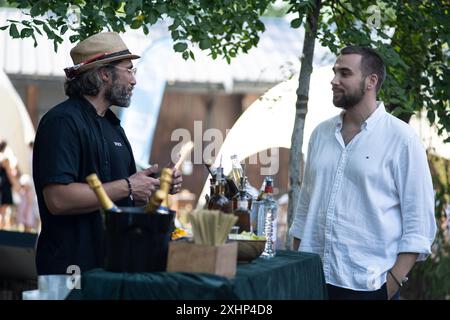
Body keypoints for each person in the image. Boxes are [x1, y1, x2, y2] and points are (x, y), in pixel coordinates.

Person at [289, 46, 437, 300]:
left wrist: (388, 288)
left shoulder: (402, 140)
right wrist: (299, 267)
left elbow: (419, 226)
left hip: (369, 287)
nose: (334, 80)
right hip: (313, 282)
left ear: (371, 81)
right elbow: (304, 210)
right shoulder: (320, 134)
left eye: (344, 73)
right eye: (335, 72)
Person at [33, 32, 183, 275]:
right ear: (104, 73)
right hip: (70, 271)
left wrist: (152, 187)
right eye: (129, 70)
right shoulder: (62, 122)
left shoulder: (113, 126)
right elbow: (58, 199)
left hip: (113, 266)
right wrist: (129, 186)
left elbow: (124, 199)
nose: (134, 81)